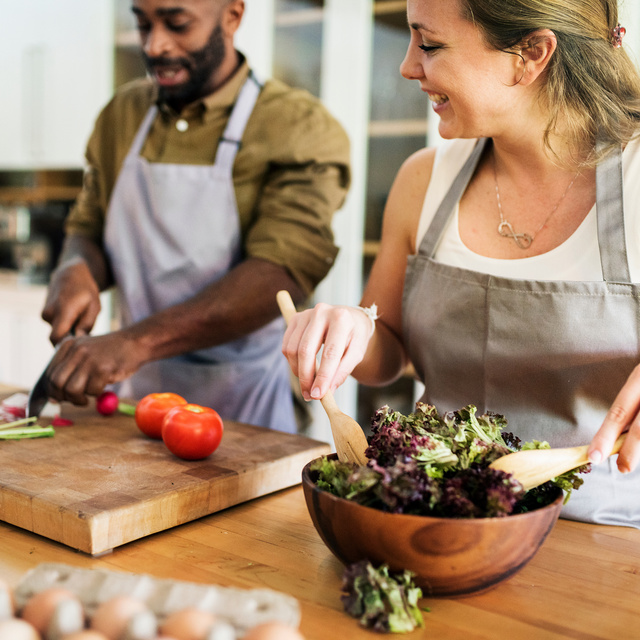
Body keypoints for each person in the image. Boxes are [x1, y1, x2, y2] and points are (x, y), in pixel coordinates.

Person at [282, 0, 640, 526]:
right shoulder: (423, 180)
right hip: (441, 521)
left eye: (429, 44)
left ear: (531, 54)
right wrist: (349, 328)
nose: (407, 66)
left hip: (607, 536)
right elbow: (388, 356)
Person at [41, 0, 350, 434]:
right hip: (137, 400)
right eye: (143, 24)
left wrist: (134, 342)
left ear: (233, 15)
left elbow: (281, 271)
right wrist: (76, 266)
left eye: (177, 23)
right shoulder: (123, 115)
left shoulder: (297, 126)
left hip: (248, 408)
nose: (155, 45)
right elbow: (89, 224)